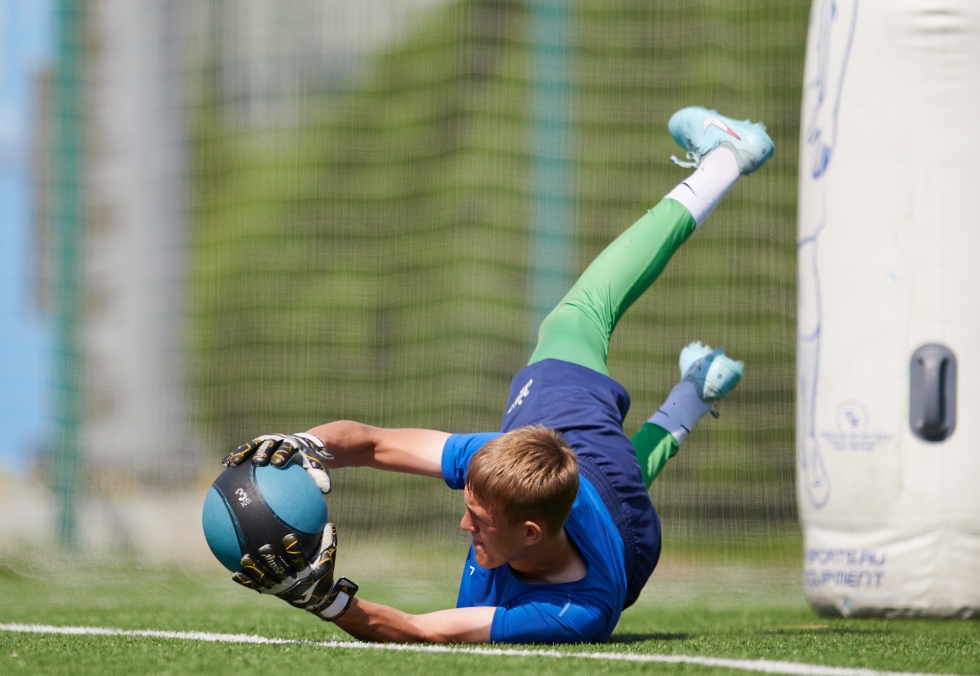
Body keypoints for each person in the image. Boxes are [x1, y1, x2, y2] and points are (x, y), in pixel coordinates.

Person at [222, 106, 775, 644]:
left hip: (621, 525)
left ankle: (698, 378)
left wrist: (321, 598)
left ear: (529, 532)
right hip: (627, 525)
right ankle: (722, 164)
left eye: (478, 518)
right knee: (577, 318)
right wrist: (305, 444)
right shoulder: (498, 467)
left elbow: (420, 629)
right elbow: (371, 443)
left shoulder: (574, 613)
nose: (464, 526)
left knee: (617, 454)